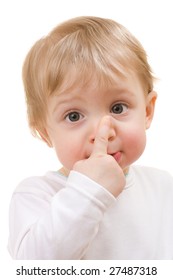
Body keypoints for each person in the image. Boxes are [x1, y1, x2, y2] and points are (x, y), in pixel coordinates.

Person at [8, 16, 173, 260]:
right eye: (73, 116)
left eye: (118, 108)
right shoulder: (36, 195)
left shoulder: (163, 187)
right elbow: (34, 268)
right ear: (45, 132)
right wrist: (88, 190)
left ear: (147, 111)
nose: (102, 133)